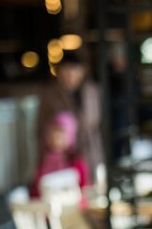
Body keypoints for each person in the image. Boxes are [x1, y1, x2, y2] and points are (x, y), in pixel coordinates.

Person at [36, 51, 104, 184]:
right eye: (67, 71)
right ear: (59, 72)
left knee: (91, 187)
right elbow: (40, 128)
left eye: (75, 71)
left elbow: (98, 123)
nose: (71, 76)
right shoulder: (50, 95)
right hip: (62, 156)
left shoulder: (91, 91)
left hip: (89, 150)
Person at [30, 111, 89, 198]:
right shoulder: (44, 163)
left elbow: (84, 190)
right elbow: (36, 191)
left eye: (59, 136)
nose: (54, 140)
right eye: (51, 135)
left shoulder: (76, 163)